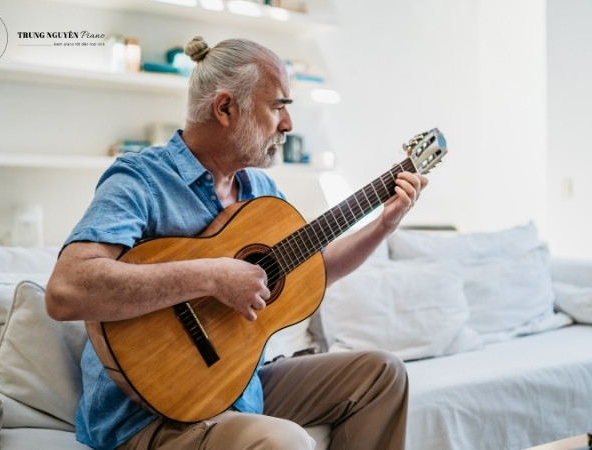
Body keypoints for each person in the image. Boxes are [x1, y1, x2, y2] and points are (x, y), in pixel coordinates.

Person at [45, 36, 427, 450]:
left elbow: (312, 270)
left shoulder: (259, 190)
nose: (288, 125)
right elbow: (67, 290)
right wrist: (212, 276)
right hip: (149, 415)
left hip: (238, 387)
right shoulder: (141, 180)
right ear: (225, 108)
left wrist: (382, 225)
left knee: (382, 375)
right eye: (278, 106)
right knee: (283, 441)